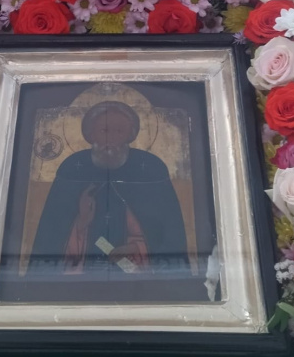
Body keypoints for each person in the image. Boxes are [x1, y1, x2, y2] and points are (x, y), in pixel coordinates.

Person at [29, 101, 188, 275]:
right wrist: (81, 221)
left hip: (134, 275)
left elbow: (167, 234)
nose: (110, 139)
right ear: (90, 134)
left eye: (119, 131)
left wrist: (136, 248)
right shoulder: (73, 168)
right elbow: (52, 235)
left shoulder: (150, 169)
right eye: (104, 131)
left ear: (130, 134)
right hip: (82, 276)